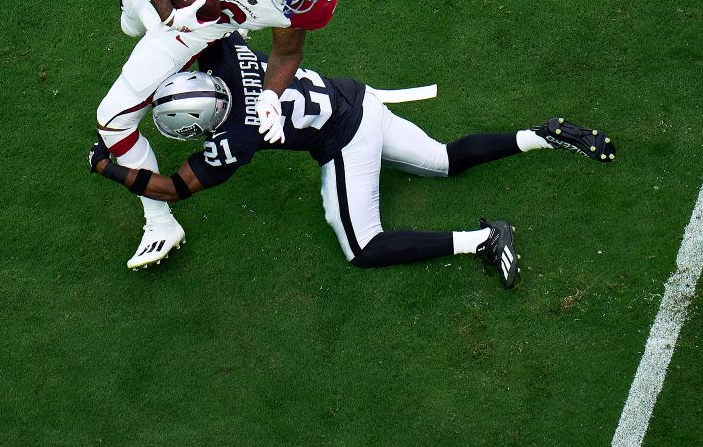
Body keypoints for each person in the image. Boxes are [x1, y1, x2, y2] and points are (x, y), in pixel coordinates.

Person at [88, 33, 616, 289]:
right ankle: (543, 135)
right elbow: (215, 27)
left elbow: (171, 189)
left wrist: (107, 167)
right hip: (359, 97)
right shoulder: (229, 56)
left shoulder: (234, 141)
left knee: (363, 247)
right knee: (443, 159)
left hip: (344, 140)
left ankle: (482, 240)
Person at [97, 0, 340, 269]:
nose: (294, 4)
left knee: (112, 120)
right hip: (185, 10)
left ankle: (160, 224)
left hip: (201, 29)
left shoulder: (308, 2)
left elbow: (287, 51)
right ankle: (153, 10)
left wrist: (270, 96)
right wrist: (168, 14)